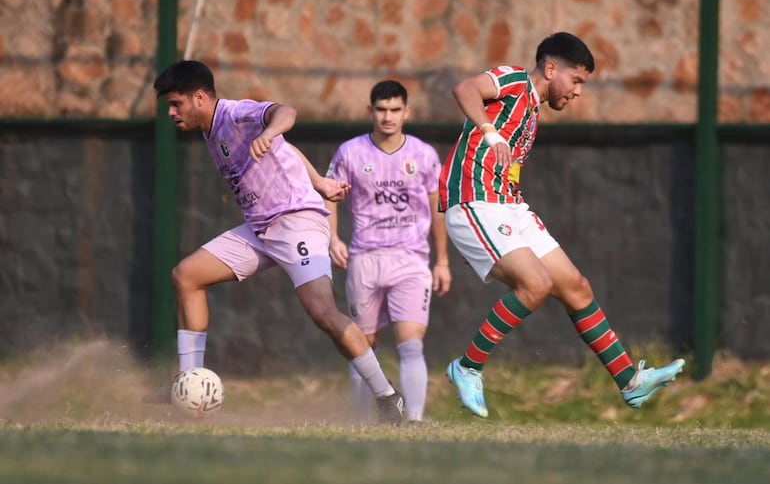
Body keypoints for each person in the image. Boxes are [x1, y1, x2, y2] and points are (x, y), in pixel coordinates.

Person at [439, 32, 685, 418]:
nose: (578, 92)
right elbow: (465, 88)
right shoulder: (513, 81)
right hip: (474, 201)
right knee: (535, 284)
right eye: (577, 80)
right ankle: (467, 367)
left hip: (509, 207)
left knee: (577, 287)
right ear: (551, 69)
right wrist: (489, 132)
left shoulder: (533, 111)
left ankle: (630, 382)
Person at [152, 60, 404, 425]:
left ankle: (387, 398)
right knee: (186, 276)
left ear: (200, 98)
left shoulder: (236, 114)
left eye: (176, 104)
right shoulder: (209, 130)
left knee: (321, 311)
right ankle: (188, 383)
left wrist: (270, 134)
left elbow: (286, 114)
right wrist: (318, 179)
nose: (172, 113)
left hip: (297, 222)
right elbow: (285, 148)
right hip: (260, 228)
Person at [324, 80, 452, 422]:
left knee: (411, 342)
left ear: (406, 112)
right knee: (362, 343)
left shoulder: (423, 155)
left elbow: (437, 206)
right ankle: (364, 422)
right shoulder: (350, 152)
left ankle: (414, 420)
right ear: (370, 111)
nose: (388, 116)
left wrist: (442, 260)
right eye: (381, 109)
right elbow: (329, 194)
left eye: (395, 109)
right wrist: (333, 238)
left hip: (411, 259)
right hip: (365, 258)